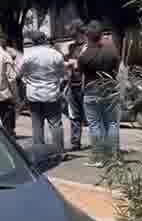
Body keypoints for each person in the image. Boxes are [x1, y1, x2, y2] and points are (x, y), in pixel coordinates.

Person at [77, 22, 122, 166]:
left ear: (87, 37)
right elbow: (117, 71)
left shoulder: (83, 56)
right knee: (112, 123)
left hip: (91, 92)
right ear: (101, 35)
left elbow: (81, 74)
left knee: (95, 125)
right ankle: (113, 157)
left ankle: (98, 158)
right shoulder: (112, 52)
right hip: (109, 90)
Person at [19, 30, 66, 152]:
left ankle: (39, 152)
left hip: (34, 94)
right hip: (52, 93)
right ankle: (59, 151)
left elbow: (20, 73)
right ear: (45, 39)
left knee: (37, 124)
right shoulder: (56, 54)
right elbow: (63, 74)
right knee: (55, 124)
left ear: (33, 41)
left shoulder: (28, 56)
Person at [65, 20, 87, 151]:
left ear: (78, 31)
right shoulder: (71, 47)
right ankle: (75, 142)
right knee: (74, 115)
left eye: (71, 31)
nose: (70, 34)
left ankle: (98, 143)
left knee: (89, 115)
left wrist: (75, 62)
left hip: (84, 84)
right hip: (72, 83)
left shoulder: (87, 45)